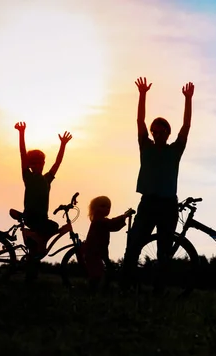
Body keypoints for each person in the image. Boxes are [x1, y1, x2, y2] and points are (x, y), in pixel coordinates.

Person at [120, 77, 195, 295]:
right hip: (148, 203)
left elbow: (187, 126)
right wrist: (142, 95)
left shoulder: (175, 150)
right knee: (133, 245)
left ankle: (159, 290)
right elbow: (139, 121)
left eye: (161, 131)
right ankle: (125, 286)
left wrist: (188, 99)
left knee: (164, 250)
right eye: (155, 130)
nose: (157, 133)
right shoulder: (146, 146)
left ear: (168, 133)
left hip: (168, 205)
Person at [14, 121, 72, 256]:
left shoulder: (47, 179)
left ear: (43, 163)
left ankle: (35, 241)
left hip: (42, 218)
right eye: (33, 163)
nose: (37, 165)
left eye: (39, 162)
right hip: (32, 216)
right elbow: (22, 154)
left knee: (36, 251)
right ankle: (34, 237)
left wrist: (63, 145)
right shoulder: (28, 176)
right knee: (53, 227)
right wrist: (21, 133)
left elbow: (57, 163)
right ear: (29, 165)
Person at [83, 196, 133, 293]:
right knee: (97, 273)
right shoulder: (98, 221)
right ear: (95, 208)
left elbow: (113, 226)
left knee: (106, 270)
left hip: (101, 251)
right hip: (93, 251)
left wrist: (123, 218)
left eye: (108, 207)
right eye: (103, 206)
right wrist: (124, 216)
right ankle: (93, 290)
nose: (106, 209)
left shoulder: (102, 221)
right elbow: (111, 223)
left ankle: (103, 288)